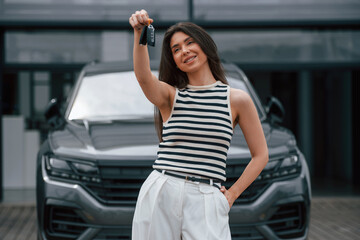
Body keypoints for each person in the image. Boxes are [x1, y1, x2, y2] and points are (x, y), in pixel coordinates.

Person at [129, 9, 269, 240]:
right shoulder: (171, 96)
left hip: (208, 196)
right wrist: (139, 35)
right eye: (176, 50)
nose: (184, 51)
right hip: (163, 188)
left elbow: (261, 155)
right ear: (173, 61)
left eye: (189, 42)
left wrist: (232, 194)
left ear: (205, 46)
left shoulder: (236, 100)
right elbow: (144, 77)